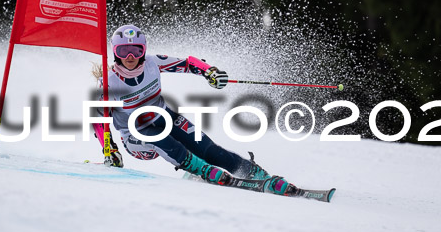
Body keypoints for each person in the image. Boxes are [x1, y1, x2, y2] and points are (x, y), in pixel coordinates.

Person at [91, 24, 296, 196]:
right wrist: (110, 149)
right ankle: (202, 170)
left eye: (136, 50)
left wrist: (210, 72)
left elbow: (188, 63)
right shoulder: (109, 84)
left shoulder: (153, 63)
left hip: (164, 117)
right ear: (114, 52)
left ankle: (257, 174)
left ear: (143, 50)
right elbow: (98, 120)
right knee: (160, 139)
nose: (130, 56)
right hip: (136, 138)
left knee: (209, 149)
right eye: (122, 52)